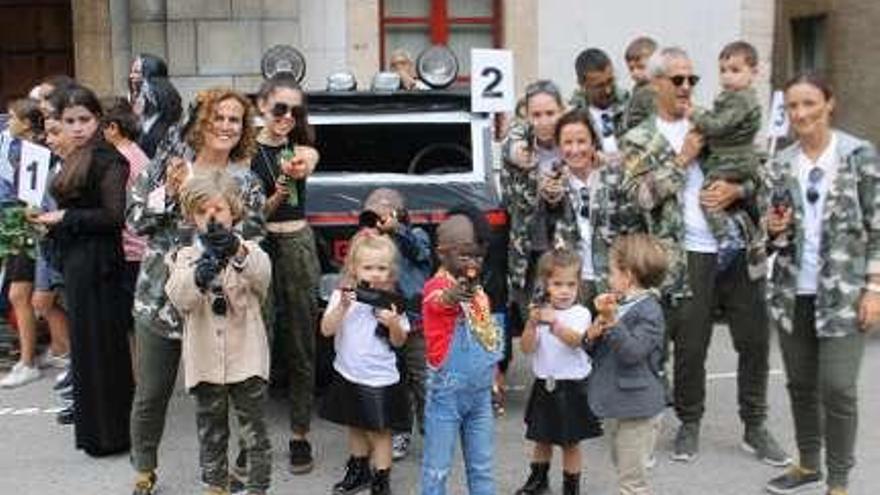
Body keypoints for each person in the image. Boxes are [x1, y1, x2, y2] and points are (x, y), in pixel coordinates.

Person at [619, 46, 788, 466]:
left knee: (754, 341)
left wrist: (738, 190)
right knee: (692, 346)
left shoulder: (712, 121)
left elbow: (758, 170)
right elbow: (639, 197)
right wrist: (682, 160)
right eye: (677, 79)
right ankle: (689, 423)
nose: (686, 87)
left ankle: (755, 426)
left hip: (738, 246)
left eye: (692, 79)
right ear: (656, 83)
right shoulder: (640, 138)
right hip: (686, 255)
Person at [127, 88, 265, 495]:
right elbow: (135, 221)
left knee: (225, 397)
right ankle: (144, 468)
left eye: (234, 120)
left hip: (224, 307)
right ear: (201, 122)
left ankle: (221, 477)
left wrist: (222, 227)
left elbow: (253, 236)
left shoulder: (247, 181)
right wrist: (171, 195)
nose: (225, 126)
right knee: (152, 393)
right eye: (217, 117)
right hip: (161, 299)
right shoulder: (163, 169)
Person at [762, 73, 880, 495]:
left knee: (838, 387)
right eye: (793, 106)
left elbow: (877, 222)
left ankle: (841, 480)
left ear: (829, 103)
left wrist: (875, 288)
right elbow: (771, 236)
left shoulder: (857, 155)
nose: (801, 114)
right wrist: (775, 230)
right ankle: (809, 464)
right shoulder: (780, 162)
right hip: (794, 292)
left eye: (810, 103)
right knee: (800, 384)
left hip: (845, 295)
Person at [30, 84, 134, 456]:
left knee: (103, 348)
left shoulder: (109, 159)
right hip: (77, 260)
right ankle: (94, 434)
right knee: (86, 350)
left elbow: (113, 217)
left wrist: (64, 217)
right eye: (69, 120)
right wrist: (51, 222)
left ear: (98, 120)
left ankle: (113, 435)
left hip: (101, 263)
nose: (77, 127)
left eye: (84, 119)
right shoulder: (76, 156)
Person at [165, 171, 273, 495]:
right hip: (206, 363)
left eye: (219, 209)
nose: (212, 217)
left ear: (234, 211)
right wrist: (200, 275)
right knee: (211, 433)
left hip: (247, 358)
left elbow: (263, 278)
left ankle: (257, 488)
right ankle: (216, 485)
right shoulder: (184, 256)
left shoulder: (250, 249)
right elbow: (179, 297)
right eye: (202, 212)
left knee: (254, 433)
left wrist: (236, 251)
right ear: (190, 217)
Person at [249, 74, 321, 474]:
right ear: (262, 106)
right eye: (280, 108)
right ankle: (252, 436)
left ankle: (299, 433)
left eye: (296, 110)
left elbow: (307, 160)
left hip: (295, 244)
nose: (288, 116)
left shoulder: (302, 149)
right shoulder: (244, 151)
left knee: (300, 341)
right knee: (256, 341)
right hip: (257, 247)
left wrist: (298, 165)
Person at [420, 204, 503, 495]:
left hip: (480, 393)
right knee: (437, 469)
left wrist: (494, 380)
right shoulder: (437, 285)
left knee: (482, 467)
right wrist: (455, 295)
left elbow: (486, 336)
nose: (473, 262)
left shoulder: (478, 290)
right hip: (446, 393)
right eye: (464, 254)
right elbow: (438, 301)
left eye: (478, 256)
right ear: (442, 252)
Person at [320, 232, 410, 495]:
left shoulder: (393, 303)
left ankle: (381, 480)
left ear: (391, 271)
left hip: (379, 378)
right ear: (354, 268)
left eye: (381, 268)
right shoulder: (343, 296)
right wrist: (342, 308)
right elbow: (326, 330)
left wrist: (393, 323)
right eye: (368, 267)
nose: (374, 274)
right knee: (355, 423)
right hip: (348, 372)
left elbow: (399, 341)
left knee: (380, 432)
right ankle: (359, 470)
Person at [500, 79, 566, 415]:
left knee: (566, 316)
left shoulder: (572, 139)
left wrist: (560, 191)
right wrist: (538, 184)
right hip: (527, 249)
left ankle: (565, 387)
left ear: (562, 111)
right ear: (527, 115)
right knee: (534, 317)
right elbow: (511, 153)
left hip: (565, 248)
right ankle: (544, 387)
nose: (544, 120)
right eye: (537, 113)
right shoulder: (519, 141)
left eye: (550, 113)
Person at [586, 234, 667, 495]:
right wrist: (593, 333)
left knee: (632, 483)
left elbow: (632, 353)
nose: (609, 278)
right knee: (624, 470)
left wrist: (612, 321)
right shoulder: (619, 304)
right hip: (618, 403)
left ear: (628, 275)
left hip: (640, 408)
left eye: (612, 271)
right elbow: (596, 350)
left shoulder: (650, 311)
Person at [515, 248, 601, 495]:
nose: (564, 291)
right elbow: (527, 348)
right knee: (541, 437)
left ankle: (571, 487)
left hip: (572, 387)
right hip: (545, 383)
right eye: (557, 284)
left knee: (570, 442)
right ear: (545, 284)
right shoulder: (539, 313)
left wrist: (553, 323)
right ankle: (538, 481)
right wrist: (532, 324)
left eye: (571, 284)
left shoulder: (581, 313)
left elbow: (576, 341)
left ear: (578, 285)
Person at [360, 188, 432, 461]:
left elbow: (421, 253)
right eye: (372, 215)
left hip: (415, 325)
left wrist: (397, 230)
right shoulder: (372, 244)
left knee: (423, 381)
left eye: (383, 214)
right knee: (397, 383)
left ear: (399, 214)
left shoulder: (415, 236)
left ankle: (432, 432)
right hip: (384, 324)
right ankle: (400, 431)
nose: (378, 221)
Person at [690, 41, 764, 275]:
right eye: (723, 70)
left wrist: (696, 114)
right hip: (733, 158)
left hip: (732, 160)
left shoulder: (741, 100)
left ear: (753, 73)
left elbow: (718, 125)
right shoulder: (735, 98)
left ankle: (726, 236)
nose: (727, 76)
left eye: (735, 70)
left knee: (708, 196)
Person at [0, 98, 49, 389]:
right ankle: (42, 352)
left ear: (28, 123)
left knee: (22, 294)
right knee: (23, 295)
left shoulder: (33, 152)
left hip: (26, 225)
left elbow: (30, 195)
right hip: (19, 223)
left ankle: (28, 360)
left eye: (14, 117)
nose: (9, 121)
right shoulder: (16, 147)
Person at [101, 97, 150, 373]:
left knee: (130, 325)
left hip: (130, 247)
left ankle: (134, 382)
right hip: (138, 245)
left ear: (113, 128)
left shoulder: (124, 159)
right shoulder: (136, 153)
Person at [569, 48, 630, 155]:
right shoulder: (573, 116)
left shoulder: (630, 104)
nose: (608, 90)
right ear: (582, 84)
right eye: (599, 86)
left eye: (610, 81)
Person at [622, 37, 658, 132]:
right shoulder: (639, 88)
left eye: (641, 67)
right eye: (631, 69)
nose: (635, 73)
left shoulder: (652, 91)